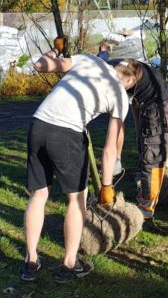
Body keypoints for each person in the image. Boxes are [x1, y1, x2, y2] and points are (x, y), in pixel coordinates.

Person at [21, 38, 141, 283]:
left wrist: (55, 49)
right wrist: (106, 187)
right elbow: (110, 149)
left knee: (39, 195)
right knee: (77, 200)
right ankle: (68, 264)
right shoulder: (120, 95)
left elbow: (40, 65)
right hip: (65, 133)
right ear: (129, 80)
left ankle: (31, 262)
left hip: (37, 124)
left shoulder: (89, 60)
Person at [108, 58, 168, 223]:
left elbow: (118, 123)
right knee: (142, 146)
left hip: (160, 109)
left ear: (131, 80)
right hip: (144, 104)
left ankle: (147, 206)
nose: (115, 88)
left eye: (121, 84)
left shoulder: (135, 77)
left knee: (151, 157)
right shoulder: (116, 67)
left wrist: (116, 157)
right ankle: (144, 192)